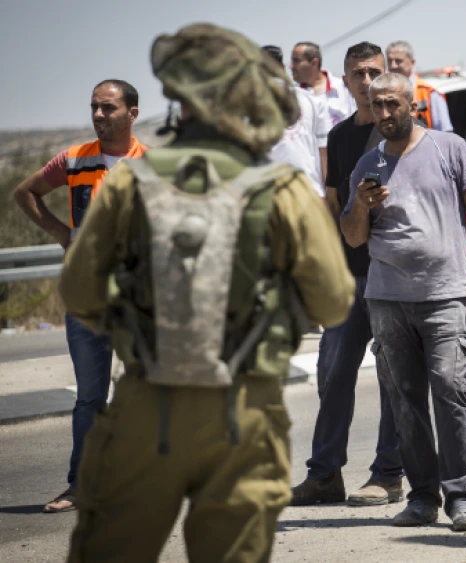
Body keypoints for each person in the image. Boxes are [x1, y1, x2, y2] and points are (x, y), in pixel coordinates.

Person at [60, 23, 355, 562]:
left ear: (179, 103)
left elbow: (80, 293)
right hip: (242, 415)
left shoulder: (130, 182)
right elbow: (334, 301)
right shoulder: (281, 190)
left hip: (146, 406)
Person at [340, 72, 466, 532]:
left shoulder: (449, 148)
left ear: (413, 104)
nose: (385, 114)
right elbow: (353, 237)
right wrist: (362, 205)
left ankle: (463, 497)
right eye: (377, 106)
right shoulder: (366, 165)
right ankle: (422, 498)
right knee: (404, 401)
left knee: (451, 391)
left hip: (445, 294)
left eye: (393, 104)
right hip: (387, 300)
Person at [12, 79, 146, 514]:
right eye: (94, 107)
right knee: (91, 395)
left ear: (132, 113)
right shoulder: (74, 160)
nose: (99, 115)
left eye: (108, 108)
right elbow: (24, 192)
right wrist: (60, 233)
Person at [290, 41, 406, 508]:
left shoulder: (405, 133)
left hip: (394, 276)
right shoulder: (338, 138)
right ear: (344, 80)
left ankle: (389, 473)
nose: (366, 81)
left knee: (391, 376)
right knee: (334, 374)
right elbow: (335, 204)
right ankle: (324, 475)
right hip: (349, 275)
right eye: (358, 74)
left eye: (374, 72)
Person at [263, 45, 332, 197]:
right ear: (282, 67)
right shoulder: (312, 100)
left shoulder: (246, 106)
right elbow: (324, 151)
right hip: (310, 192)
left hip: (271, 194)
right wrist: (329, 197)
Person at [386, 40, 453, 131]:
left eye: (398, 61)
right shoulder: (383, 93)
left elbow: (445, 133)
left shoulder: (429, 93)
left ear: (412, 62)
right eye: (390, 61)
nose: (393, 66)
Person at [291, 41, 356, 128]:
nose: (291, 66)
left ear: (314, 63)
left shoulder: (344, 88)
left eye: (296, 61)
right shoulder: (292, 95)